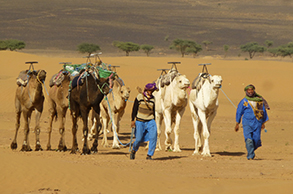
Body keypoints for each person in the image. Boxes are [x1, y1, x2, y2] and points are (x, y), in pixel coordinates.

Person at [235, 84, 269, 160]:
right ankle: (250, 155)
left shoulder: (259, 100)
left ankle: (251, 151)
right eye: (248, 90)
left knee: (256, 140)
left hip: (258, 122)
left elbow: (263, 111)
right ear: (246, 91)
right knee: (249, 139)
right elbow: (239, 112)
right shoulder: (244, 101)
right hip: (247, 122)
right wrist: (237, 123)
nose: (250, 91)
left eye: (251, 90)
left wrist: (263, 123)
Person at [130, 83, 157, 160]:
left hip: (150, 121)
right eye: (150, 90)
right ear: (147, 90)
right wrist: (132, 120)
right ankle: (134, 150)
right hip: (140, 121)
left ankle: (149, 155)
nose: (151, 92)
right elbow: (134, 109)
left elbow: (153, 111)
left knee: (153, 137)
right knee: (138, 139)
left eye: (153, 90)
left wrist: (154, 121)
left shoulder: (153, 99)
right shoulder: (139, 97)